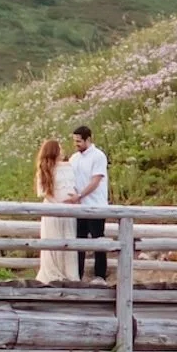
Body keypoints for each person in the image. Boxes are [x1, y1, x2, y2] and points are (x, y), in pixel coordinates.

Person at [61, 119, 110, 280]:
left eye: (79, 141)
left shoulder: (98, 156)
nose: (76, 144)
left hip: (96, 205)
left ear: (88, 139)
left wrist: (80, 195)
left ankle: (100, 275)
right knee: (79, 242)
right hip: (79, 207)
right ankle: (78, 274)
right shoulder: (74, 158)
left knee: (98, 241)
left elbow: (95, 180)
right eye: (75, 141)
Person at [34, 137, 74, 284]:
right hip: (52, 209)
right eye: (60, 149)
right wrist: (58, 204)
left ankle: (68, 272)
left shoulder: (67, 167)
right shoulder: (44, 170)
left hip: (68, 211)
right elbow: (44, 192)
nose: (63, 151)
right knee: (53, 238)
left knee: (68, 238)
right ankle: (53, 272)